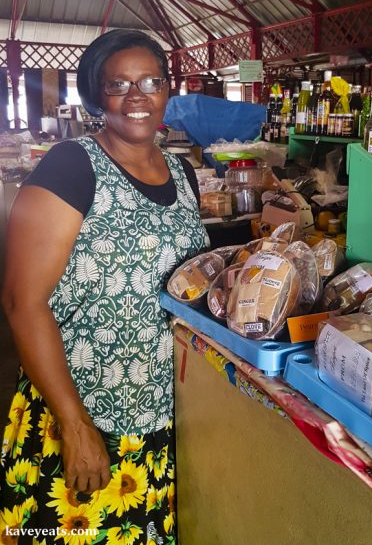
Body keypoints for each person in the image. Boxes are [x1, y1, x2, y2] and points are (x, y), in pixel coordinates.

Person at [0, 29, 209, 544]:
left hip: (161, 419)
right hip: (82, 418)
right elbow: (22, 302)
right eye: (120, 84)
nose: (137, 96)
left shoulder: (184, 173)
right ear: (98, 95)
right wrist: (75, 427)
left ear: (167, 89)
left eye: (151, 81)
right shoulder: (71, 165)